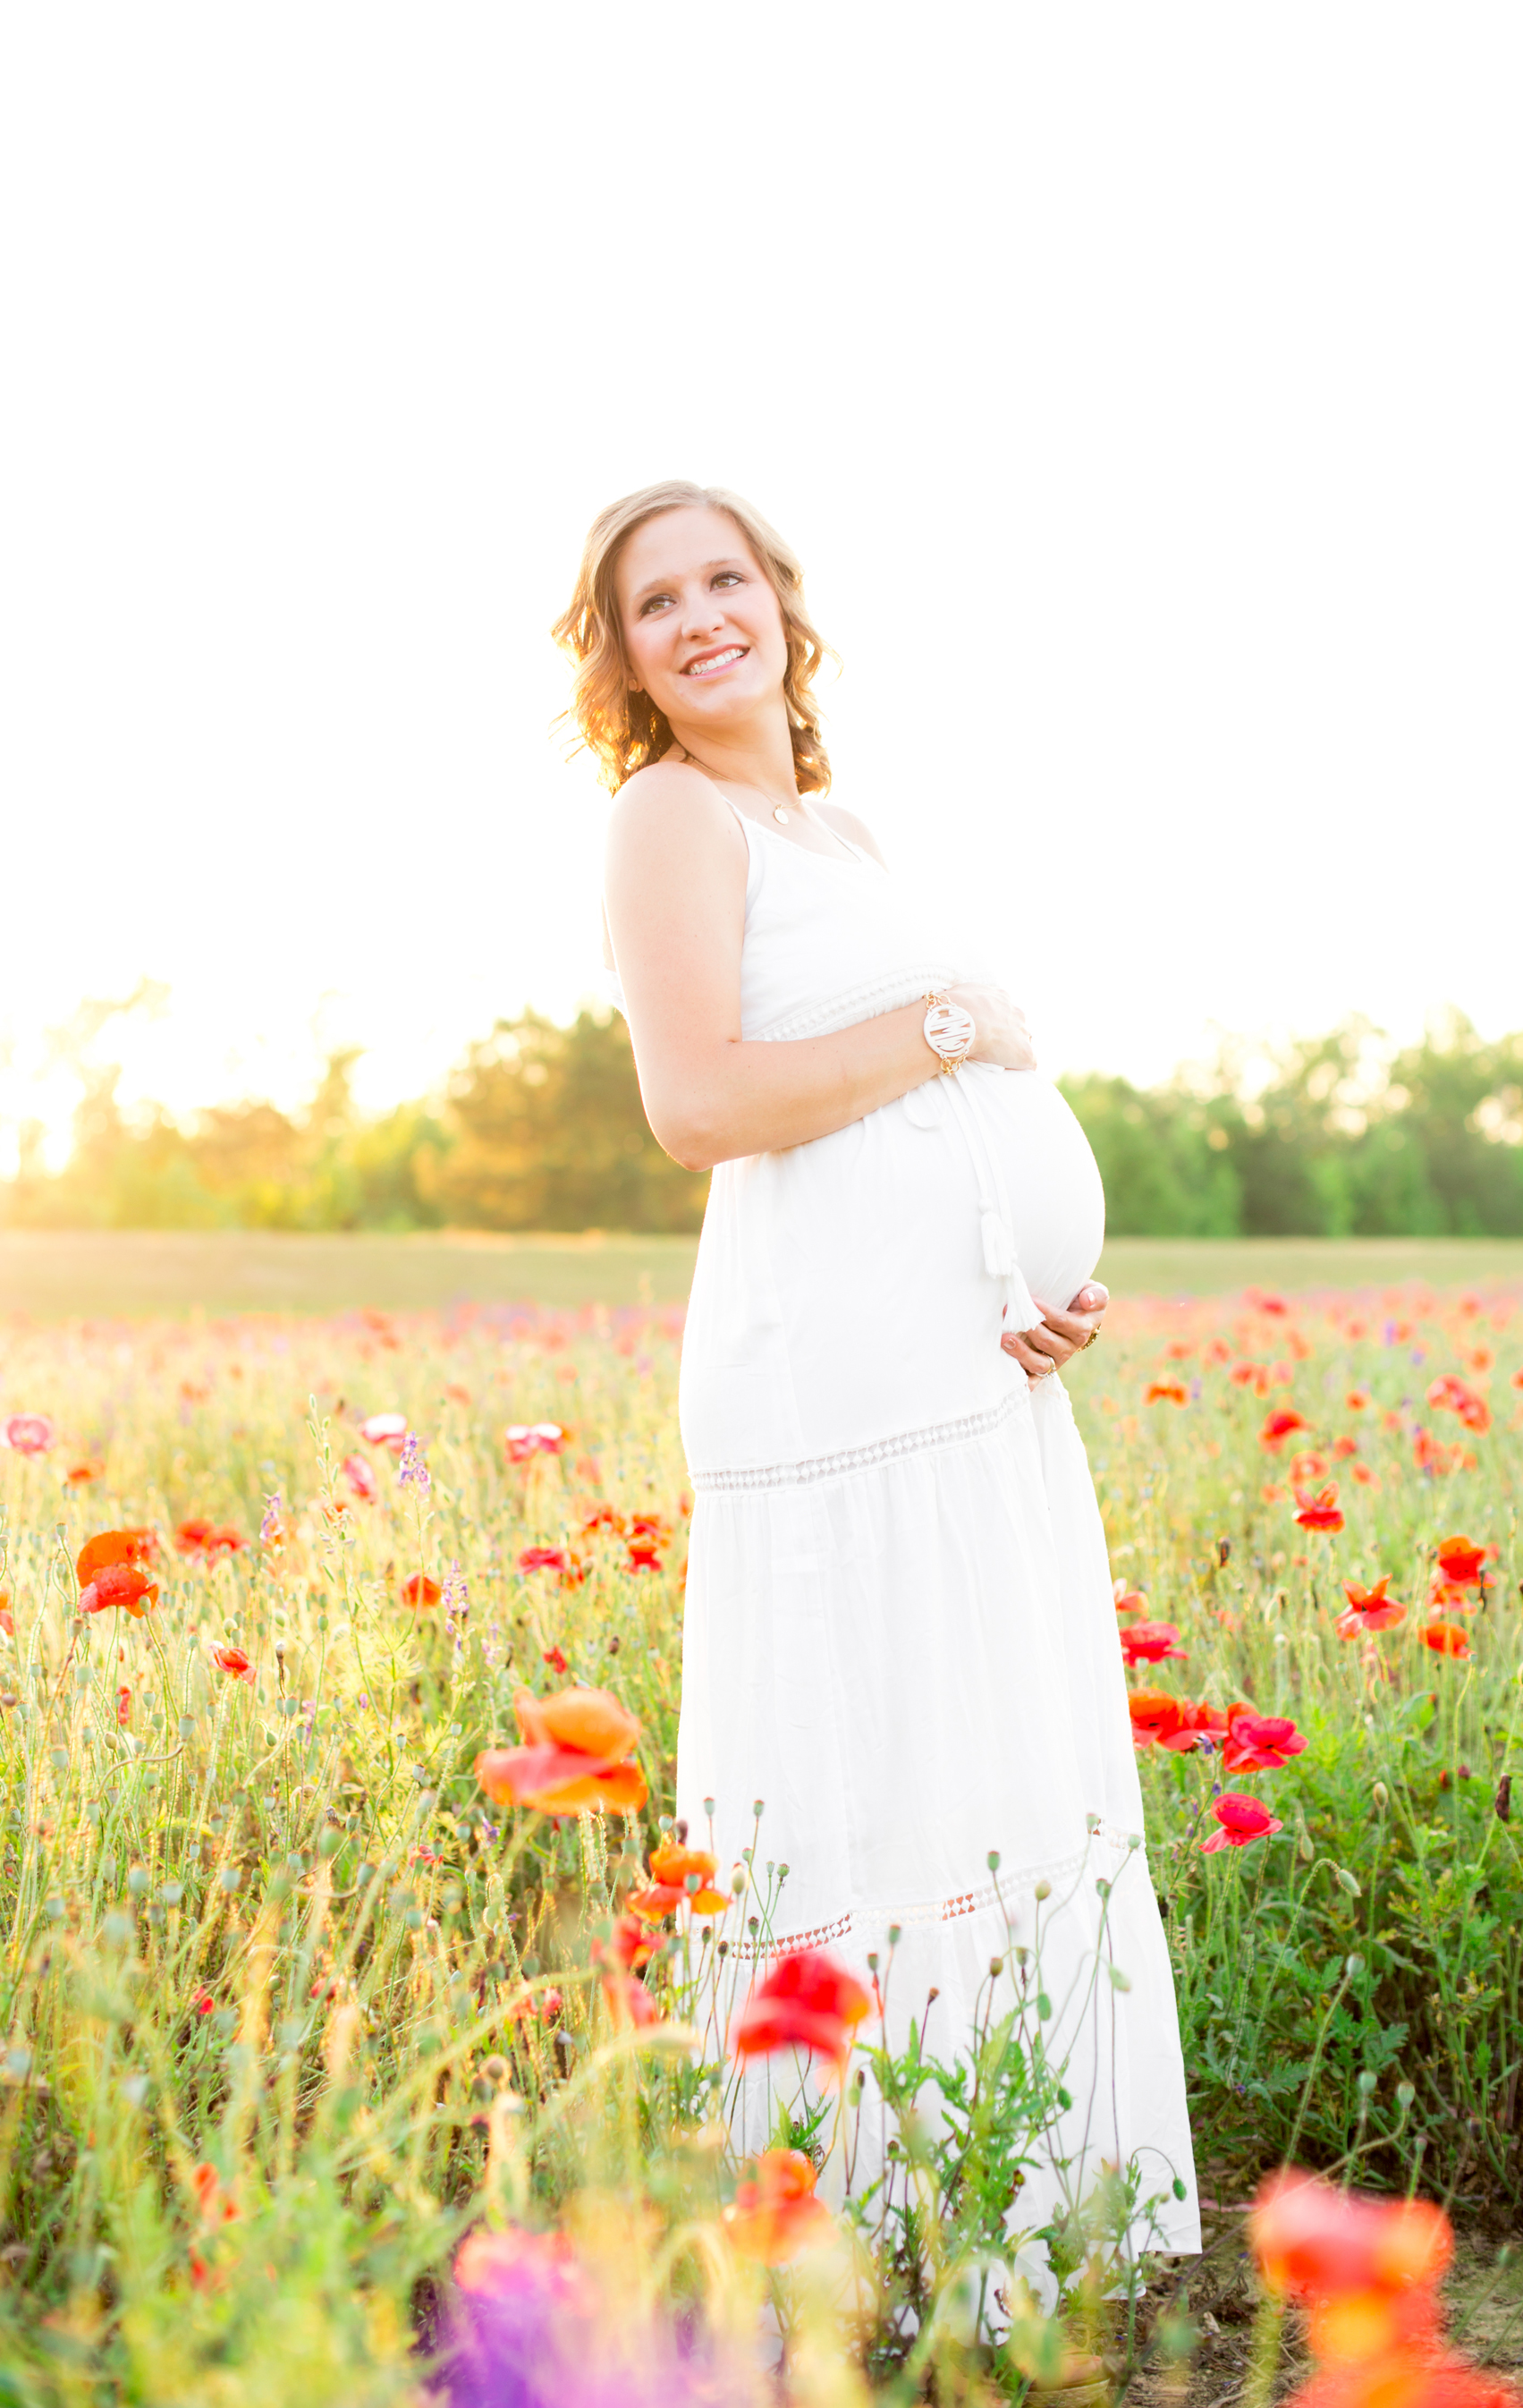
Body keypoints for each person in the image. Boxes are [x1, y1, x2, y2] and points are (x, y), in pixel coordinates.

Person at [554, 480, 1198, 2254]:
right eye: (656, 602)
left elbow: (935, 1130)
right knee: (879, 1783)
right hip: (829, 1383)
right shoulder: (669, 816)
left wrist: (1034, 1281)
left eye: (724, 578)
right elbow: (699, 1104)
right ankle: (868, 2248)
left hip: (963, 1378)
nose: (701, 616)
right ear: (624, 659)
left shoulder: (839, 830)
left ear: (782, 599)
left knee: (981, 1776)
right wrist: (941, 1027)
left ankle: (1015, 2214)